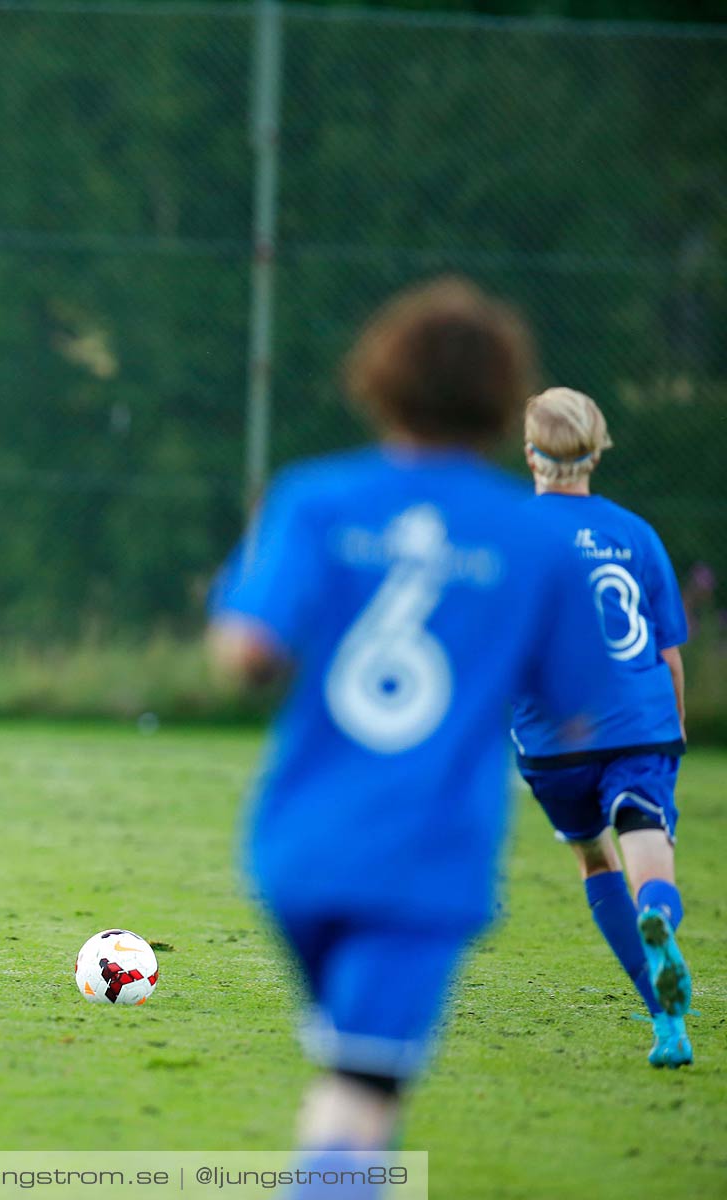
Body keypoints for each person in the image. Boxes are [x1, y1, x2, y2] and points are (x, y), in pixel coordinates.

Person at [208, 279, 608, 1166]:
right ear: (506, 398)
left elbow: (243, 653)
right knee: (359, 1102)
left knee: (347, 1079)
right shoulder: (535, 536)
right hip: (423, 863)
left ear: (377, 377)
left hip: (294, 850)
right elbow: (581, 712)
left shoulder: (314, 498)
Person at [511, 387, 693, 1067]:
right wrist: (668, 732)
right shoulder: (635, 534)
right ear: (599, 450)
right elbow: (669, 655)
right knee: (646, 835)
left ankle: (666, 1021)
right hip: (642, 724)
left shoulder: (512, 532)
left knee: (595, 856)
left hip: (555, 740)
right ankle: (660, 921)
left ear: (531, 453)